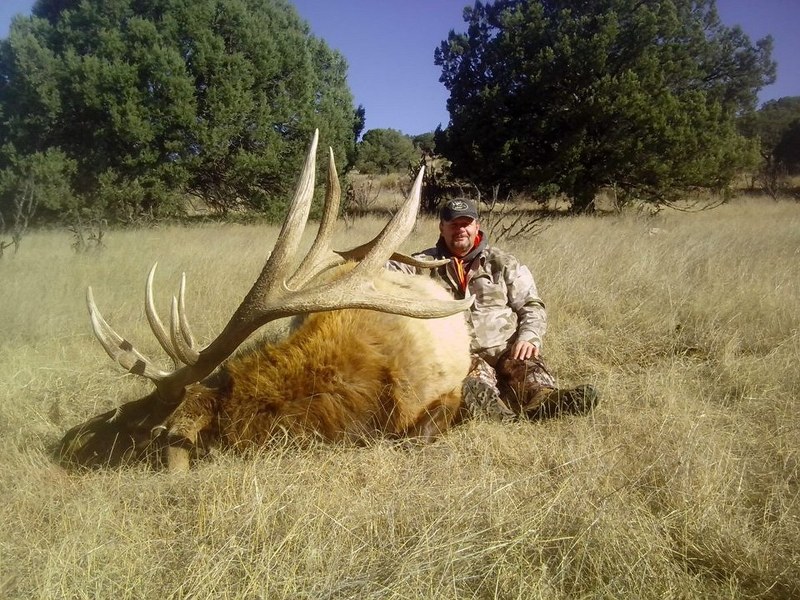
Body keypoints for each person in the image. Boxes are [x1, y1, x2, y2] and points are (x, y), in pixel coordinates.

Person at [387, 198, 598, 422]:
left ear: (476, 226)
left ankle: (547, 401)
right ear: (442, 227)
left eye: (466, 223)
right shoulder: (421, 264)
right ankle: (495, 411)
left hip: (507, 348)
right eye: (453, 224)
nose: (460, 230)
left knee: (530, 372)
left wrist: (528, 337)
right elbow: (383, 269)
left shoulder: (503, 262)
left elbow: (531, 305)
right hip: (462, 354)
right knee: (472, 380)